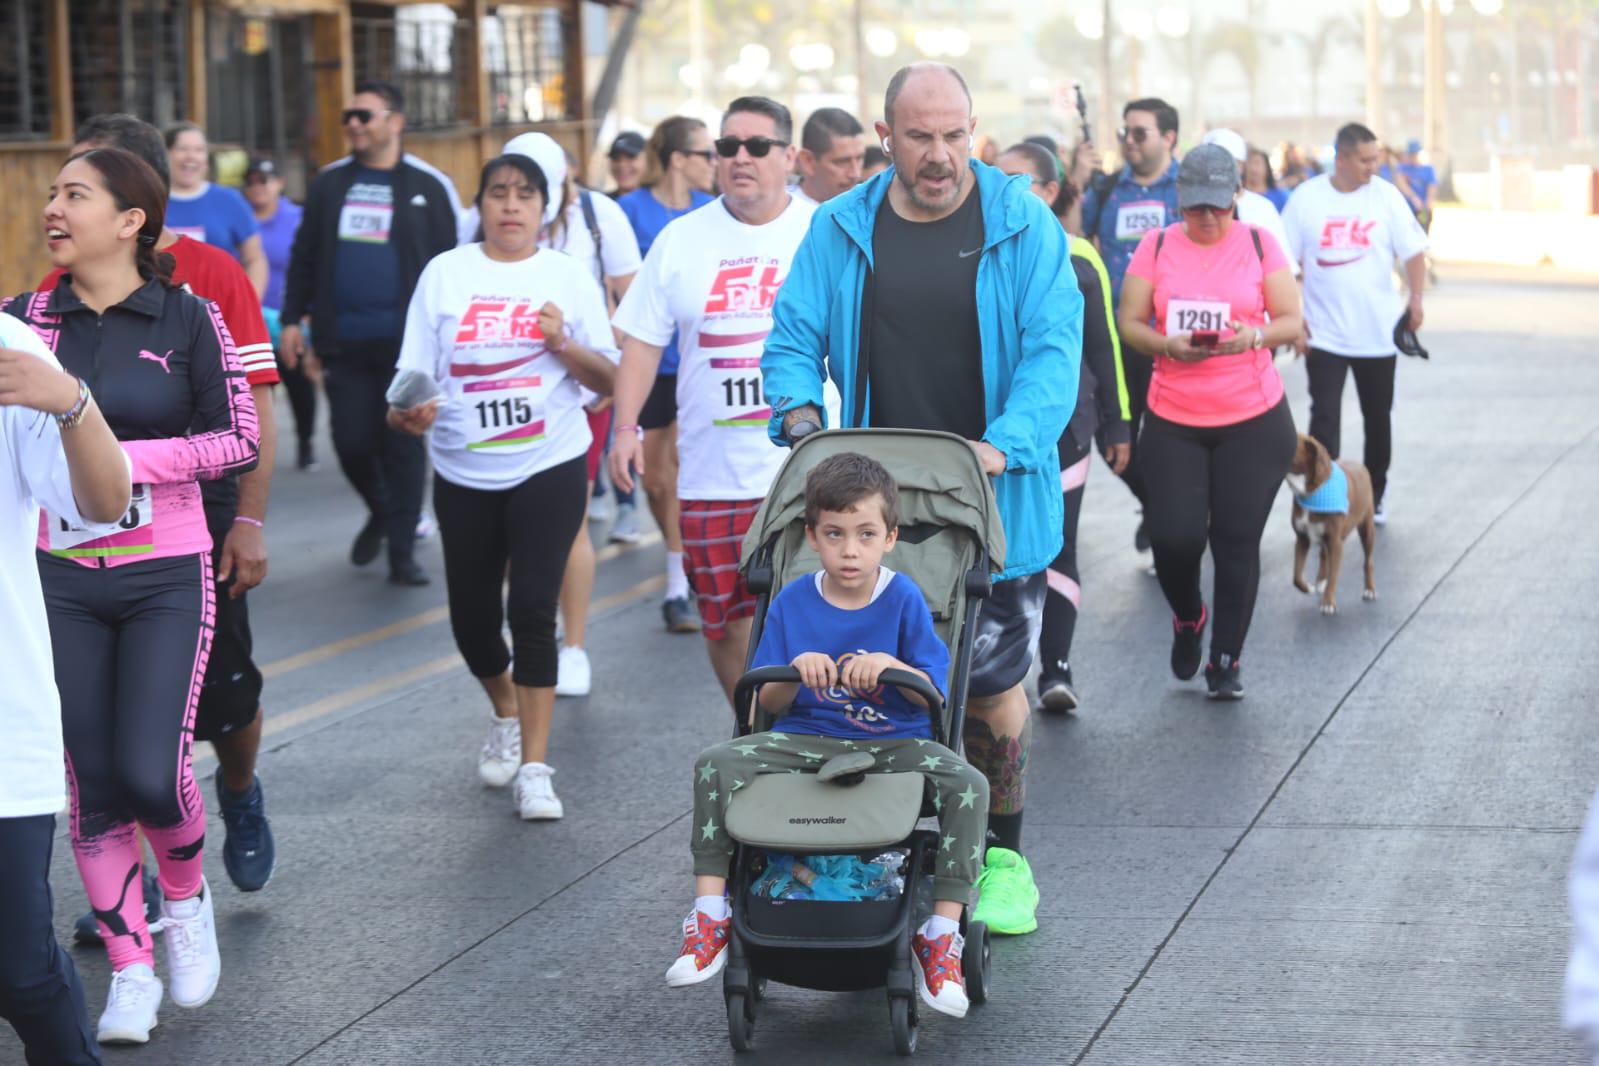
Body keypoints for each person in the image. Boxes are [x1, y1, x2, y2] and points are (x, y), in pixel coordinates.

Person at [762, 62, 1083, 938]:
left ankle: (1003, 859)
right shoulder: (841, 227)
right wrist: (798, 419)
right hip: (871, 509)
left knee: (985, 689)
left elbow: (1054, 355)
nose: (939, 156)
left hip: (991, 498)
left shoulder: (1023, 224)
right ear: (886, 135)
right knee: (866, 684)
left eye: (953, 135)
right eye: (918, 137)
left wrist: (1003, 445)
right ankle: (860, 848)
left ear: (971, 130)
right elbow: (793, 338)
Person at [10, 146, 260, 1043]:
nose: (53, 207)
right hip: (59, 580)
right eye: (51, 193)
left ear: (129, 221)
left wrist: (113, 457)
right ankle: (128, 967)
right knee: (96, 785)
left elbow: (237, 438)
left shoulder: (189, 317)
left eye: (74, 194)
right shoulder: (24, 322)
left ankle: (184, 901)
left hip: (167, 570)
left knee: (154, 771)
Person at [53, 114, 282, 922]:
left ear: (137, 200)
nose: (59, 207)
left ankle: (242, 790)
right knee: (131, 724)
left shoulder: (211, 275)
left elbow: (251, 405)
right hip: (86, 542)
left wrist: (247, 524)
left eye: (78, 187)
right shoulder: (57, 288)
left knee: (224, 697)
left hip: (200, 514)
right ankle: (139, 885)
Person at [665, 452, 987, 1019]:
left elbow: (931, 696)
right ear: (812, 536)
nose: (849, 550)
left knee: (970, 783)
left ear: (890, 538)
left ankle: (940, 933)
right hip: (806, 737)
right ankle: (710, 915)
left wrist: (894, 668)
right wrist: (798, 668)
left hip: (894, 743)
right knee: (715, 762)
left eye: (865, 535)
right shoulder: (792, 602)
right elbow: (766, 701)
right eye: (834, 535)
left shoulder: (905, 598)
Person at [389, 153, 619, 820]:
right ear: (481, 205)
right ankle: (505, 709)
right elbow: (408, 383)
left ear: (545, 207)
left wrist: (563, 345)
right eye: (498, 193)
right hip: (463, 467)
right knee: (473, 625)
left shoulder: (566, 276)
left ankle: (537, 771)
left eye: (524, 195)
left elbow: (607, 380)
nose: (510, 206)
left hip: (548, 461)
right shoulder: (445, 274)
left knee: (532, 611)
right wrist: (408, 415)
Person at [610, 96, 817, 706]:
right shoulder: (681, 241)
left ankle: (812, 738)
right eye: (727, 147)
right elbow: (644, 343)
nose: (740, 158)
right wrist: (626, 427)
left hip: (807, 473)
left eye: (757, 146)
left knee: (814, 622)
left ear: (789, 157)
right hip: (711, 476)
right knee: (725, 622)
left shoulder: (823, 230)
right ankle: (757, 733)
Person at [1114, 144, 1302, 699]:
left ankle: (1226, 661)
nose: (1208, 218)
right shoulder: (1156, 245)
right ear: (1179, 199)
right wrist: (1166, 344)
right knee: (1175, 537)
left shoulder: (1258, 242)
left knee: (1236, 541)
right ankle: (1189, 616)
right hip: (1175, 416)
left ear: (1236, 197)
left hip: (1254, 416)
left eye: (1219, 206)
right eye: (1197, 207)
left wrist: (1257, 335)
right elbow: (1129, 323)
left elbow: (1292, 320)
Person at [0, 315, 130, 1066]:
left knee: (18, 971)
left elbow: (106, 503)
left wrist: (72, 402)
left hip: (4, 718)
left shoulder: (13, 351)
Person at [280, 80, 461, 586]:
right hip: (345, 343)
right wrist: (293, 319)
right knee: (352, 442)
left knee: (403, 448)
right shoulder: (329, 184)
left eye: (365, 115)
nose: (354, 125)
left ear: (395, 122)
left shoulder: (428, 185)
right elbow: (305, 257)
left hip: (410, 350)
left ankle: (403, 553)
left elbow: (453, 267)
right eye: (349, 117)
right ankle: (383, 511)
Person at [497, 132, 643, 699]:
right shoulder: (489, 220)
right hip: (509, 397)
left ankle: (575, 646)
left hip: (582, 392)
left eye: (538, 184)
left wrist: (609, 370)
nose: (522, 197)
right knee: (511, 529)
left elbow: (635, 301)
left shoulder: (598, 216)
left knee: (571, 521)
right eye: (511, 185)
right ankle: (537, 627)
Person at [996, 141, 1131, 713]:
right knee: (997, 552)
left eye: (1019, 182)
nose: (1004, 193)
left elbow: (1104, 345)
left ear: (1051, 192)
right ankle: (996, 674)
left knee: (1058, 547)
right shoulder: (976, 248)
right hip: (993, 435)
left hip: (1068, 432)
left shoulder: (1077, 254)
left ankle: (1056, 670)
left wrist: (1118, 424)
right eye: (995, 180)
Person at [1280, 123, 1428, 525]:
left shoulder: (1385, 196)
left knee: (1377, 417)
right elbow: (1284, 264)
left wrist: (1415, 298)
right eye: (1364, 160)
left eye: (1375, 158)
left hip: (1377, 333)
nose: (1373, 167)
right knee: (1324, 417)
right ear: (1341, 159)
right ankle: (1325, 495)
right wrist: (1294, 320)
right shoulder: (1307, 199)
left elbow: (1414, 252)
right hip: (1323, 334)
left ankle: (1374, 495)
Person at [614, 116, 717, 633]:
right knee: (656, 482)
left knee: (685, 468)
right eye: (707, 153)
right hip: (653, 362)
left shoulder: (713, 211)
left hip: (701, 365)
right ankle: (683, 564)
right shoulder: (629, 210)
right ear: (679, 158)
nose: (716, 163)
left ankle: (681, 584)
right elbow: (617, 285)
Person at [1078, 98, 1182, 553]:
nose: (1130, 141)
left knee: (1165, 442)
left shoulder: (1185, 190)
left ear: (1168, 137)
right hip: (1111, 337)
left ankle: (1171, 515)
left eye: (1140, 132)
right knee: (1112, 435)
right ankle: (1160, 508)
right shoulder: (1105, 190)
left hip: (1165, 339)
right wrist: (1077, 177)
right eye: (1125, 133)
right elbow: (1068, 230)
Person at [244, 156, 317, 471]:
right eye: (252, 181)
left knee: (298, 382)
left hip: (288, 316)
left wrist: (307, 312)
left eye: (266, 180)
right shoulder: (241, 218)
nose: (259, 187)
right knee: (253, 390)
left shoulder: (298, 217)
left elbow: (312, 265)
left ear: (280, 183)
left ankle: (305, 440)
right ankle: (252, 451)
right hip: (249, 319)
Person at [163, 123, 268, 298]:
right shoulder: (150, 200)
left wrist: (249, 302)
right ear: (166, 154)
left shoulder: (229, 200)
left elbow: (255, 259)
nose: (191, 157)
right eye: (182, 149)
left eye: (199, 150)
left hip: (219, 311)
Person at [1201, 129, 1297, 277]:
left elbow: (1286, 271)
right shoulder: (1189, 207)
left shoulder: (1262, 208)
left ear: (1241, 165)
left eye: (1222, 161)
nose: (1213, 168)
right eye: (1207, 161)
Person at [791, 107, 866, 206]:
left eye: (859, 158)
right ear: (807, 161)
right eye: (842, 162)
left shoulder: (872, 212)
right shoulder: (774, 214)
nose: (855, 174)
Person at [1244, 145, 1289, 212]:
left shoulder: (1279, 196)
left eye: (1257, 163)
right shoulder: (1240, 196)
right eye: (1250, 163)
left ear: (1267, 169)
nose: (1253, 168)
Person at [607, 131, 647, 198]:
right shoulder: (601, 203)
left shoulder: (661, 203)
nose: (622, 165)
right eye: (616, 158)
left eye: (630, 157)